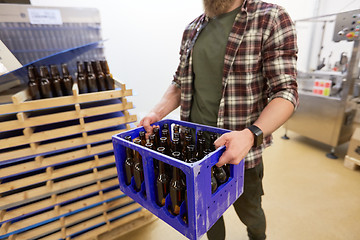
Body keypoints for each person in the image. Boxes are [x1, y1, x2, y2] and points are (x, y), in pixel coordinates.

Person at [139, 0, 298, 239]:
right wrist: (157, 113)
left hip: (243, 153)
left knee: (251, 211)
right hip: (197, 153)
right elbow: (180, 83)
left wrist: (250, 135)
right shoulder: (192, 29)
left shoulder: (270, 18)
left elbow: (285, 92)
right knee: (206, 213)